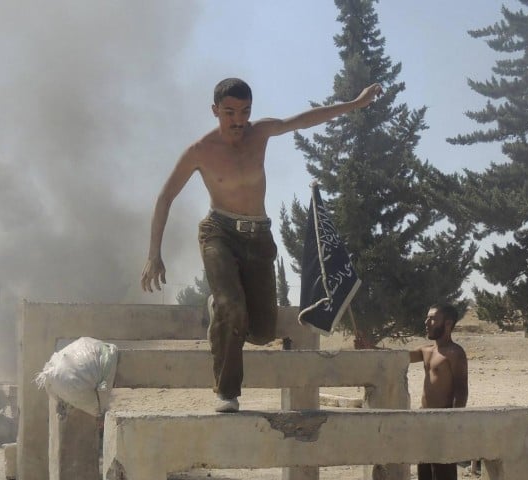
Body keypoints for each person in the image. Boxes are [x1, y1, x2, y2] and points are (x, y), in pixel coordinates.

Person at [140, 78, 383, 413]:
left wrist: (355, 104)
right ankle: (227, 391)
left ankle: (220, 307)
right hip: (218, 233)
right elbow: (165, 197)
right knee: (233, 306)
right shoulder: (200, 151)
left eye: (244, 112)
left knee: (262, 331)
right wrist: (154, 254)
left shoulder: (261, 132)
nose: (238, 120)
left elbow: (305, 119)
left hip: (258, 237)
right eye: (229, 113)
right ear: (215, 111)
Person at [409, 303, 468, 480]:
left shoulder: (455, 353)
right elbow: (399, 357)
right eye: (427, 317)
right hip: (424, 421)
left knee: (444, 476)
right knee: (425, 474)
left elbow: (461, 390)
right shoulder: (426, 351)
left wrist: (453, 421)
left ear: (448, 324)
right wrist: (369, 347)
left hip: (444, 422)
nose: (427, 322)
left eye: (432, 318)